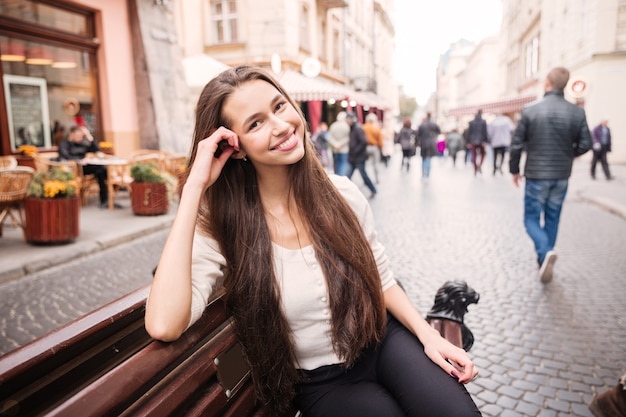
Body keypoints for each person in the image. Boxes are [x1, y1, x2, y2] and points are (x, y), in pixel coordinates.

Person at [144, 66, 481, 417]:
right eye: (255, 123)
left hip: (385, 342)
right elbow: (164, 324)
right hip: (324, 383)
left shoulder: (342, 193)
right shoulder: (222, 227)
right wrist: (195, 187)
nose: (280, 126)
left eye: (279, 106)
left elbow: (382, 280)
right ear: (235, 147)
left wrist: (429, 337)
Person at [509, 67, 592, 283]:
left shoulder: (530, 110)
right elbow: (586, 144)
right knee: (553, 216)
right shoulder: (577, 112)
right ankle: (544, 258)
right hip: (561, 174)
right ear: (565, 85)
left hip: (537, 173)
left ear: (547, 83)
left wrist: (514, 170)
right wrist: (568, 154)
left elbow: (516, 145)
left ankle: (545, 253)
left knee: (531, 219)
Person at [58, 125, 119, 209]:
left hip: (85, 168)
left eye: (81, 136)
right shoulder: (64, 144)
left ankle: (106, 199)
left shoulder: (82, 143)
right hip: (74, 170)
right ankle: (108, 195)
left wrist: (89, 136)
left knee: (102, 170)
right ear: (71, 134)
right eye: (78, 136)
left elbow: (96, 149)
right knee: (101, 171)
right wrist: (79, 160)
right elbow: (65, 156)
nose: (80, 138)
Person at [345, 112, 378, 199]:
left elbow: (364, 141)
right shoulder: (353, 128)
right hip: (354, 157)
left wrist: (355, 151)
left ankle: (373, 189)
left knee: (363, 175)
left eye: (347, 119)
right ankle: (343, 193)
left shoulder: (357, 128)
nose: (346, 121)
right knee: (348, 175)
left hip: (358, 157)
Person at [416, 112, 441, 179]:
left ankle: (423, 174)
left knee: (424, 158)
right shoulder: (434, 124)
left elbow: (418, 135)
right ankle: (427, 175)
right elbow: (439, 132)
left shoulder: (422, 125)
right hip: (431, 143)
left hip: (424, 143)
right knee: (429, 159)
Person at [362, 113, 384, 183]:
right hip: (375, 148)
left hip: (365, 147)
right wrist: (381, 148)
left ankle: (366, 179)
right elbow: (380, 141)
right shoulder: (376, 128)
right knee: (376, 164)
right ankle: (377, 179)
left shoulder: (363, 127)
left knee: (364, 164)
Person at [466, 109, 489, 176]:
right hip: (481, 141)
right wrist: (486, 141)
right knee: (483, 154)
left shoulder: (471, 122)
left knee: (474, 155)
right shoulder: (483, 122)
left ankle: (475, 168)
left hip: (473, 141)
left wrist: (468, 142)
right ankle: (479, 166)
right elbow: (485, 132)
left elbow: (469, 133)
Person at [327, 111, 350, 176]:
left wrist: (335, 144)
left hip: (335, 149)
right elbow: (347, 138)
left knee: (337, 165)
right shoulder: (347, 127)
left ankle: (337, 178)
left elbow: (330, 137)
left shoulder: (333, 125)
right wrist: (340, 144)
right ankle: (341, 178)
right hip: (344, 150)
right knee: (343, 165)